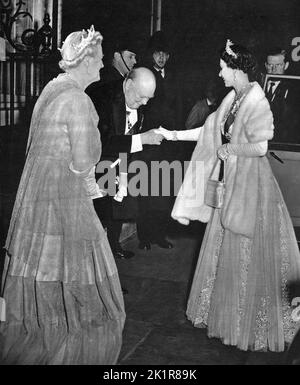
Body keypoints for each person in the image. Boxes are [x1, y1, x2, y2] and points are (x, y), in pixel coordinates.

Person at [156, 40, 300, 352]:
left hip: (253, 188)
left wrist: (230, 149)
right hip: (231, 183)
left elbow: (261, 147)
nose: (220, 74)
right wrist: (172, 134)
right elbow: (210, 131)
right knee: (227, 249)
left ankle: (248, 324)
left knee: (249, 253)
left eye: (223, 68)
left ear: (236, 69)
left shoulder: (257, 100)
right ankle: (231, 319)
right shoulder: (232, 98)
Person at [0, 26, 126, 364]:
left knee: (44, 267)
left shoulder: (50, 90)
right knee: (85, 277)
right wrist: (107, 181)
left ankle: (41, 330)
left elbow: (33, 147)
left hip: (35, 195)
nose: (101, 67)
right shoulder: (79, 100)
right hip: (63, 198)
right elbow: (84, 164)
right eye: (98, 60)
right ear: (84, 61)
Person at [89, 67, 162, 264]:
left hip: (121, 160)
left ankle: (111, 251)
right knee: (100, 216)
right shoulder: (103, 98)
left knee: (119, 208)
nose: (145, 103)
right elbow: (103, 143)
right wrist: (142, 139)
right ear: (128, 85)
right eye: (141, 98)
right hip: (95, 164)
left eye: (149, 98)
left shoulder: (137, 96)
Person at [136, 31, 182, 251]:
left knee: (164, 190)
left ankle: (160, 234)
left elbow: (179, 107)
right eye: (157, 53)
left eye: (165, 54)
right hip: (149, 141)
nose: (161, 58)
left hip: (169, 142)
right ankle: (144, 236)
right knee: (147, 190)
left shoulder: (173, 76)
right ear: (151, 54)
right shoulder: (144, 75)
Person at [263, 47, 299, 143]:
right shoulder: (258, 86)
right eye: (270, 65)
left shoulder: (294, 90)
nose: (274, 69)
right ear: (265, 65)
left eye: (278, 65)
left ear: (286, 65)